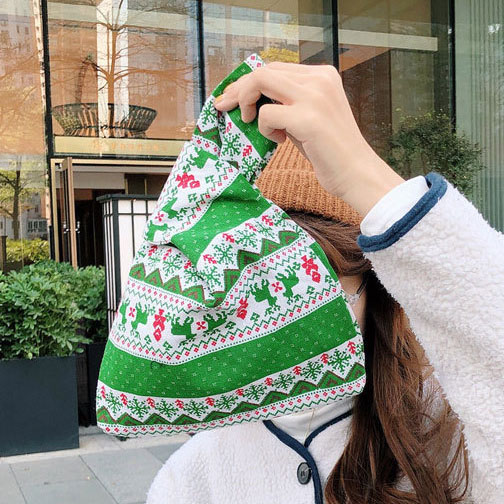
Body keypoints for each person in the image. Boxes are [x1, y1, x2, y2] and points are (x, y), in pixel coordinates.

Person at [145, 62, 504, 504]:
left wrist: (367, 180)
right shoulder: (194, 475)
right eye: (260, 284)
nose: (287, 316)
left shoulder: (449, 429)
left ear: (373, 287)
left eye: (317, 284)